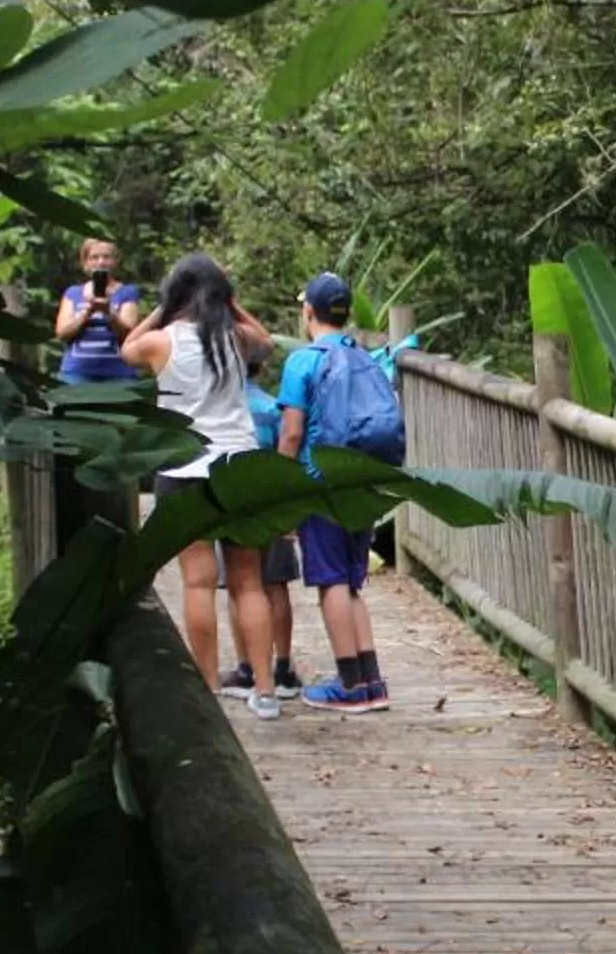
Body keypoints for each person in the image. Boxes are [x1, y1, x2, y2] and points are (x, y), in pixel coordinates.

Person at [119, 254, 283, 714]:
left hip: (184, 467)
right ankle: (266, 691)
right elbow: (267, 344)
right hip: (239, 466)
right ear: (221, 297)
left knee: (198, 583)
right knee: (248, 581)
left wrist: (161, 308)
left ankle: (208, 688)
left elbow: (125, 349)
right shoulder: (236, 338)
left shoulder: (160, 342)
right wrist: (234, 305)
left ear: (176, 298)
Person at [276, 270, 403, 712]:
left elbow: (291, 434)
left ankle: (348, 686)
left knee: (330, 580)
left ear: (308, 311)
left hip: (321, 481)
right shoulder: (363, 355)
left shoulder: (303, 361)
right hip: (362, 478)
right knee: (351, 582)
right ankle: (371, 682)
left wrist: (280, 489)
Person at [218, 369, 303, 705]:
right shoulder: (273, 408)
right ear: (262, 369)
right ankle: (282, 668)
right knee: (275, 583)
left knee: (241, 585)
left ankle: (247, 668)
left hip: (236, 502)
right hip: (271, 500)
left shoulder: (224, 409)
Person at [52, 238, 143, 384]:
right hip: (77, 372)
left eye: (106, 257)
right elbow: (62, 332)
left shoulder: (127, 292)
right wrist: (87, 312)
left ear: (115, 261)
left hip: (119, 374)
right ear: (85, 262)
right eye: (94, 257)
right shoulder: (73, 293)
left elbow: (130, 333)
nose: (101, 262)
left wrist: (108, 312)